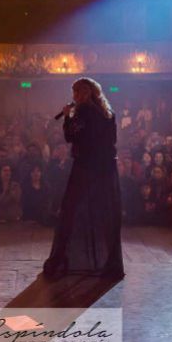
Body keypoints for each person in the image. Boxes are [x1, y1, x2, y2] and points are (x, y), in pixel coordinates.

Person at [43, 77, 124, 280]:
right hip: (105, 168)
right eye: (74, 94)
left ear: (86, 93)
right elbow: (112, 140)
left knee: (69, 210)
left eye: (77, 93)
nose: (75, 97)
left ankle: (59, 261)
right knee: (106, 214)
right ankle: (111, 264)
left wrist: (67, 116)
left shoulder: (83, 111)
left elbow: (71, 136)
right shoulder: (108, 113)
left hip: (86, 167)